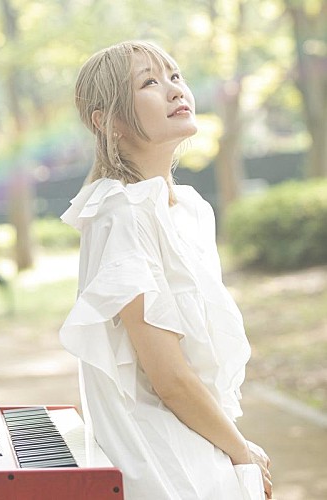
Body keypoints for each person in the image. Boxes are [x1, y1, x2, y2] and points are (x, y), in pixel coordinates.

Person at [59, 40, 273, 500]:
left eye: (175, 76)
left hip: (192, 434)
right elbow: (169, 378)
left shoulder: (188, 208)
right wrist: (240, 451)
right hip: (158, 457)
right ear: (109, 122)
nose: (175, 90)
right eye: (149, 83)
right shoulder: (122, 212)